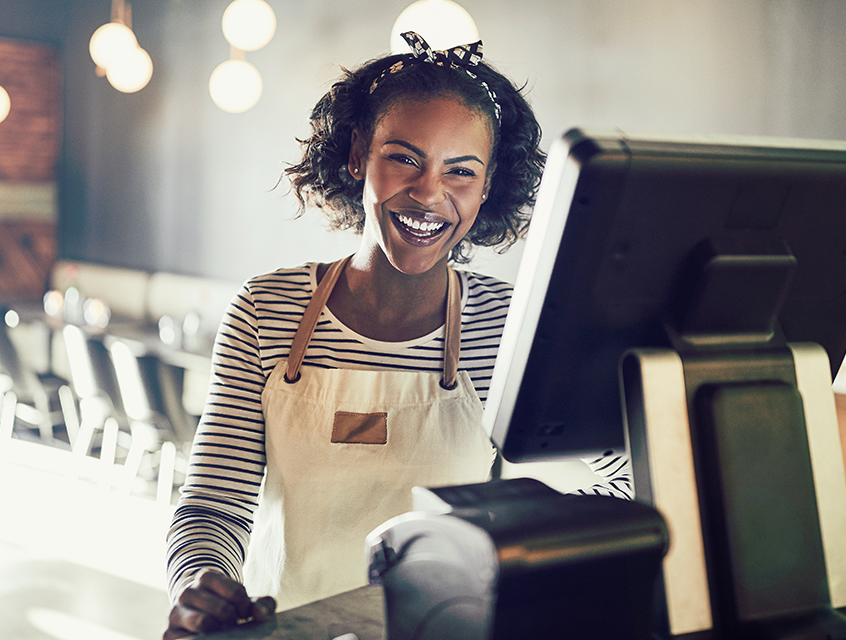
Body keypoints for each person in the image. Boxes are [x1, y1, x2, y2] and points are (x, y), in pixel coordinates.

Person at [163, 31, 626, 639]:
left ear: (487, 187)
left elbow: (618, 475)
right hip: (289, 629)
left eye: (461, 171)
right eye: (404, 158)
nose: (430, 193)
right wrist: (202, 587)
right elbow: (212, 508)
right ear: (359, 154)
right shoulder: (267, 308)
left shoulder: (507, 324)